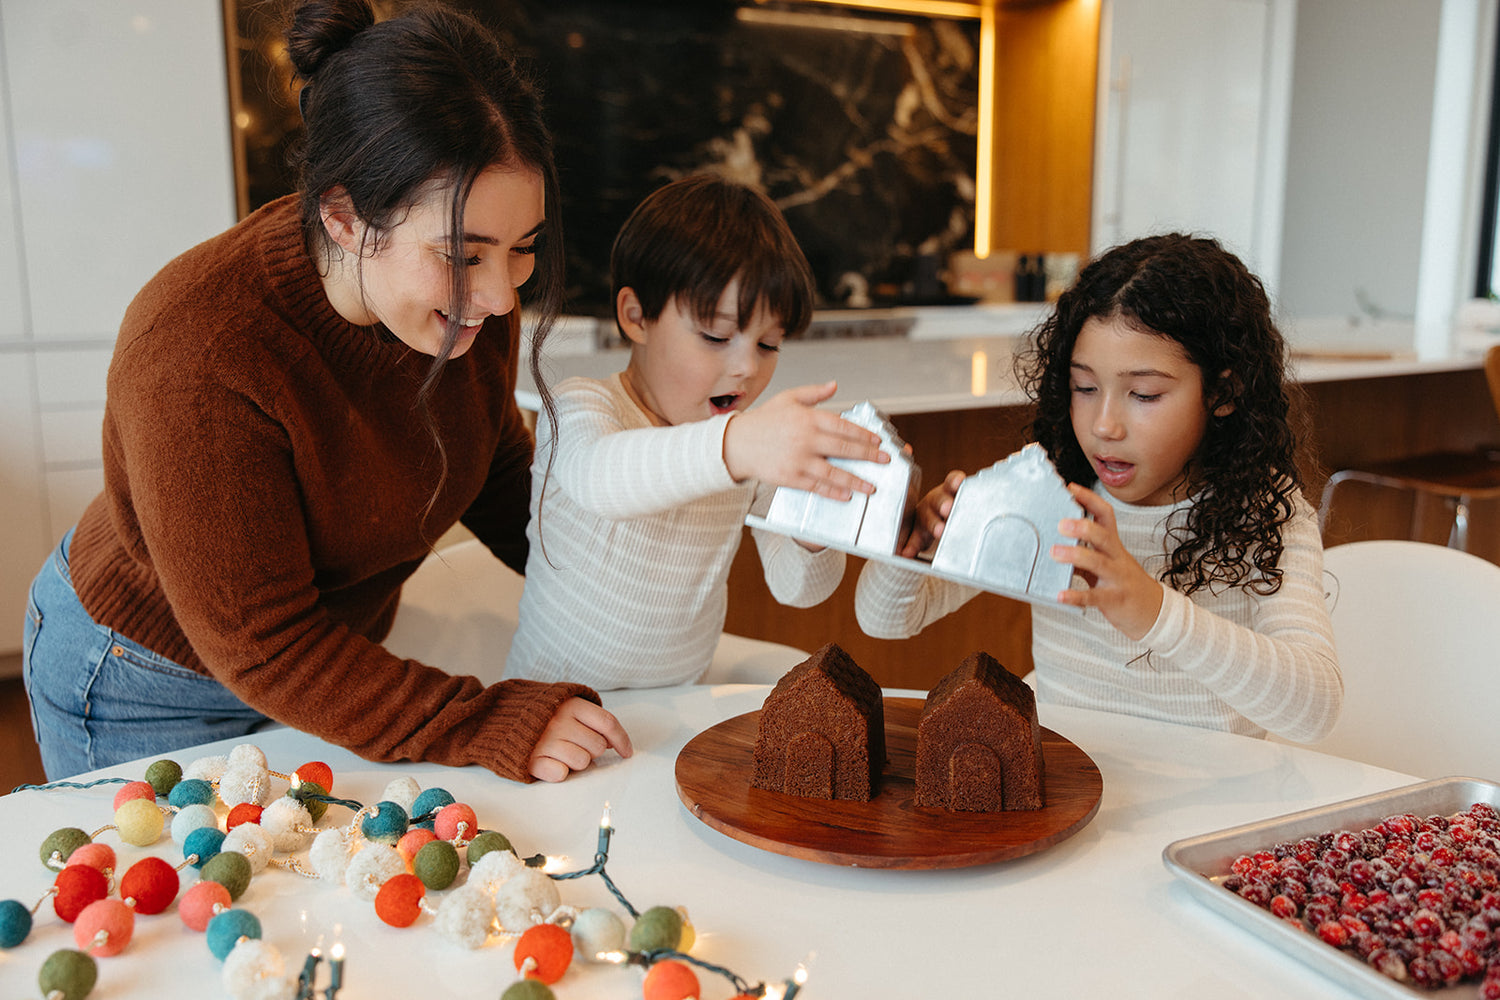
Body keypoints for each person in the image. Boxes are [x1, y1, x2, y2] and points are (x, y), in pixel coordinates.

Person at [21, 0, 630, 783]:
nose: (504, 295)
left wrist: (619, 567)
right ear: (344, 217)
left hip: (317, 664)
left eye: (524, 249)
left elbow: (489, 465)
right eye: (465, 254)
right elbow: (266, 641)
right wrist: (483, 721)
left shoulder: (464, 304)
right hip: (144, 676)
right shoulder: (200, 350)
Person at [855, 233, 1342, 744]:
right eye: (1085, 388)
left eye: (1144, 394)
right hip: (1069, 788)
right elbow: (885, 620)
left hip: (1208, 802)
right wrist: (917, 546)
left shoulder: (1267, 512)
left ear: (1223, 392)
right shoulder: (1054, 494)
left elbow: (1314, 710)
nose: (1104, 424)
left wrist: (1153, 610)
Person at [504, 173, 886, 689]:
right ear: (636, 317)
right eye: (715, 336)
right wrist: (739, 446)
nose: (748, 368)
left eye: (768, 344)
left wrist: (813, 524)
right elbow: (600, 478)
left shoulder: (741, 444)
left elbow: (799, 590)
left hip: (675, 712)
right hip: (542, 710)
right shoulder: (581, 404)